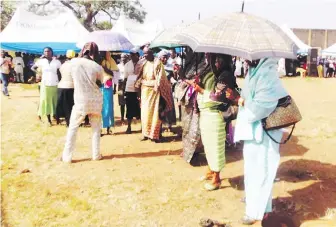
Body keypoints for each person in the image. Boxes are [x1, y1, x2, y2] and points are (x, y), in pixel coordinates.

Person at [234, 58, 288, 225]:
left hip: (265, 133)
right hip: (255, 131)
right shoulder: (254, 70)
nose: (245, 58)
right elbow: (249, 95)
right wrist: (239, 96)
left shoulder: (267, 74)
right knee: (253, 170)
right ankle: (256, 203)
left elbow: (260, 107)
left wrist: (240, 101)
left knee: (262, 171)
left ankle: (256, 212)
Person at [186, 53, 239, 191]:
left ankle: (216, 178)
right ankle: (211, 170)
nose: (214, 62)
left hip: (216, 115)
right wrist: (198, 82)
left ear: (224, 60)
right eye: (212, 59)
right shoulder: (213, 73)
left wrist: (201, 90)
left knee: (215, 146)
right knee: (208, 144)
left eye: (217, 59)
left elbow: (219, 97)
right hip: (206, 114)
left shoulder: (225, 75)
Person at [61, 42, 104, 163]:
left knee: (73, 128)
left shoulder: (73, 62)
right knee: (96, 129)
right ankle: (96, 155)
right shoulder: (97, 66)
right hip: (95, 100)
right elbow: (100, 82)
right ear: (95, 52)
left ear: (83, 50)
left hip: (81, 100)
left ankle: (67, 157)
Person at [177, 51, 210, 163]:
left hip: (197, 98)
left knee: (195, 126)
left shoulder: (204, 65)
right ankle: (187, 150)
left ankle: (194, 151)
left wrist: (185, 78)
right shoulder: (187, 64)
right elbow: (184, 80)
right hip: (186, 99)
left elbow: (196, 82)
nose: (187, 52)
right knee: (186, 126)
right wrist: (180, 73)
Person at [136, 47, 174, 143]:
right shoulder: (143, 63)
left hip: (155, 92)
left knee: (156, 114)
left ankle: (155, 135)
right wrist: (138, 89)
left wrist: (157, 86)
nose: (144, 56)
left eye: (146, 54)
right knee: (145, 114)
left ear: (152, 53)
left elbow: (161, 78)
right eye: (144, 54)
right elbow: (139, 76)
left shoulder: (157, 63)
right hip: (145, 91)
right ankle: (145, 134)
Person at [31, 47, 61, 126]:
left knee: (55, 101)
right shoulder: (41, 61)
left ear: (52, 52)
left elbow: (59, 72)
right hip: (45, 83)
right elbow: (33, 67)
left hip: (55, 83)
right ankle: (49, 120)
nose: (47, 53)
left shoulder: (57, 62)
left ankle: (56, 117)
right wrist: (39, 73)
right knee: (46, 101)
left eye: (48, 51)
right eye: (45, 51)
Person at [55, 50, 76, 127]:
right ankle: (69, 122)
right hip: (71, 87)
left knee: (62, 104)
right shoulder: (75, 65)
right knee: (70, 105)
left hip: (61, 86)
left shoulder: (63, 65)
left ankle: (57, 119)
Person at [158, 50, 177, 132]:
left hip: (168, 89)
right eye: (163, 57)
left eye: (166, 57)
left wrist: (175, 72)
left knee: (169, 107)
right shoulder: (157, 66)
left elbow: (173, 77)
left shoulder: (170, 66)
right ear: (160, 58)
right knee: (160, 108)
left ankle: (169, 126)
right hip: (160, 91)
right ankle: (160, 126)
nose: (165, 59)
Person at [123, 48, 141, 134]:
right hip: (129, 89)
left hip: (139, 89)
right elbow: (125, 78)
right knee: (129, 108)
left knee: (140, 108)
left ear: (138, 55)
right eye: (131, 55)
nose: (132, 56)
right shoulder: (127, 65)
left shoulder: (142, 64)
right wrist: (123, 90)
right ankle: (129, 127)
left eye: (134, 55)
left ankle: (143, 127)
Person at [117, 53, 128, 122]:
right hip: (120, 85)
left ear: (127, 58)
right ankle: (122, 117)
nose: (123, 59)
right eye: (122, 57)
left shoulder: (129, 66)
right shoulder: (118, 66)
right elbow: (116, 76)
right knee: (121, 102)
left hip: (127, 84)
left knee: (128, 101)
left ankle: (128, 117)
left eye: (124, 57)